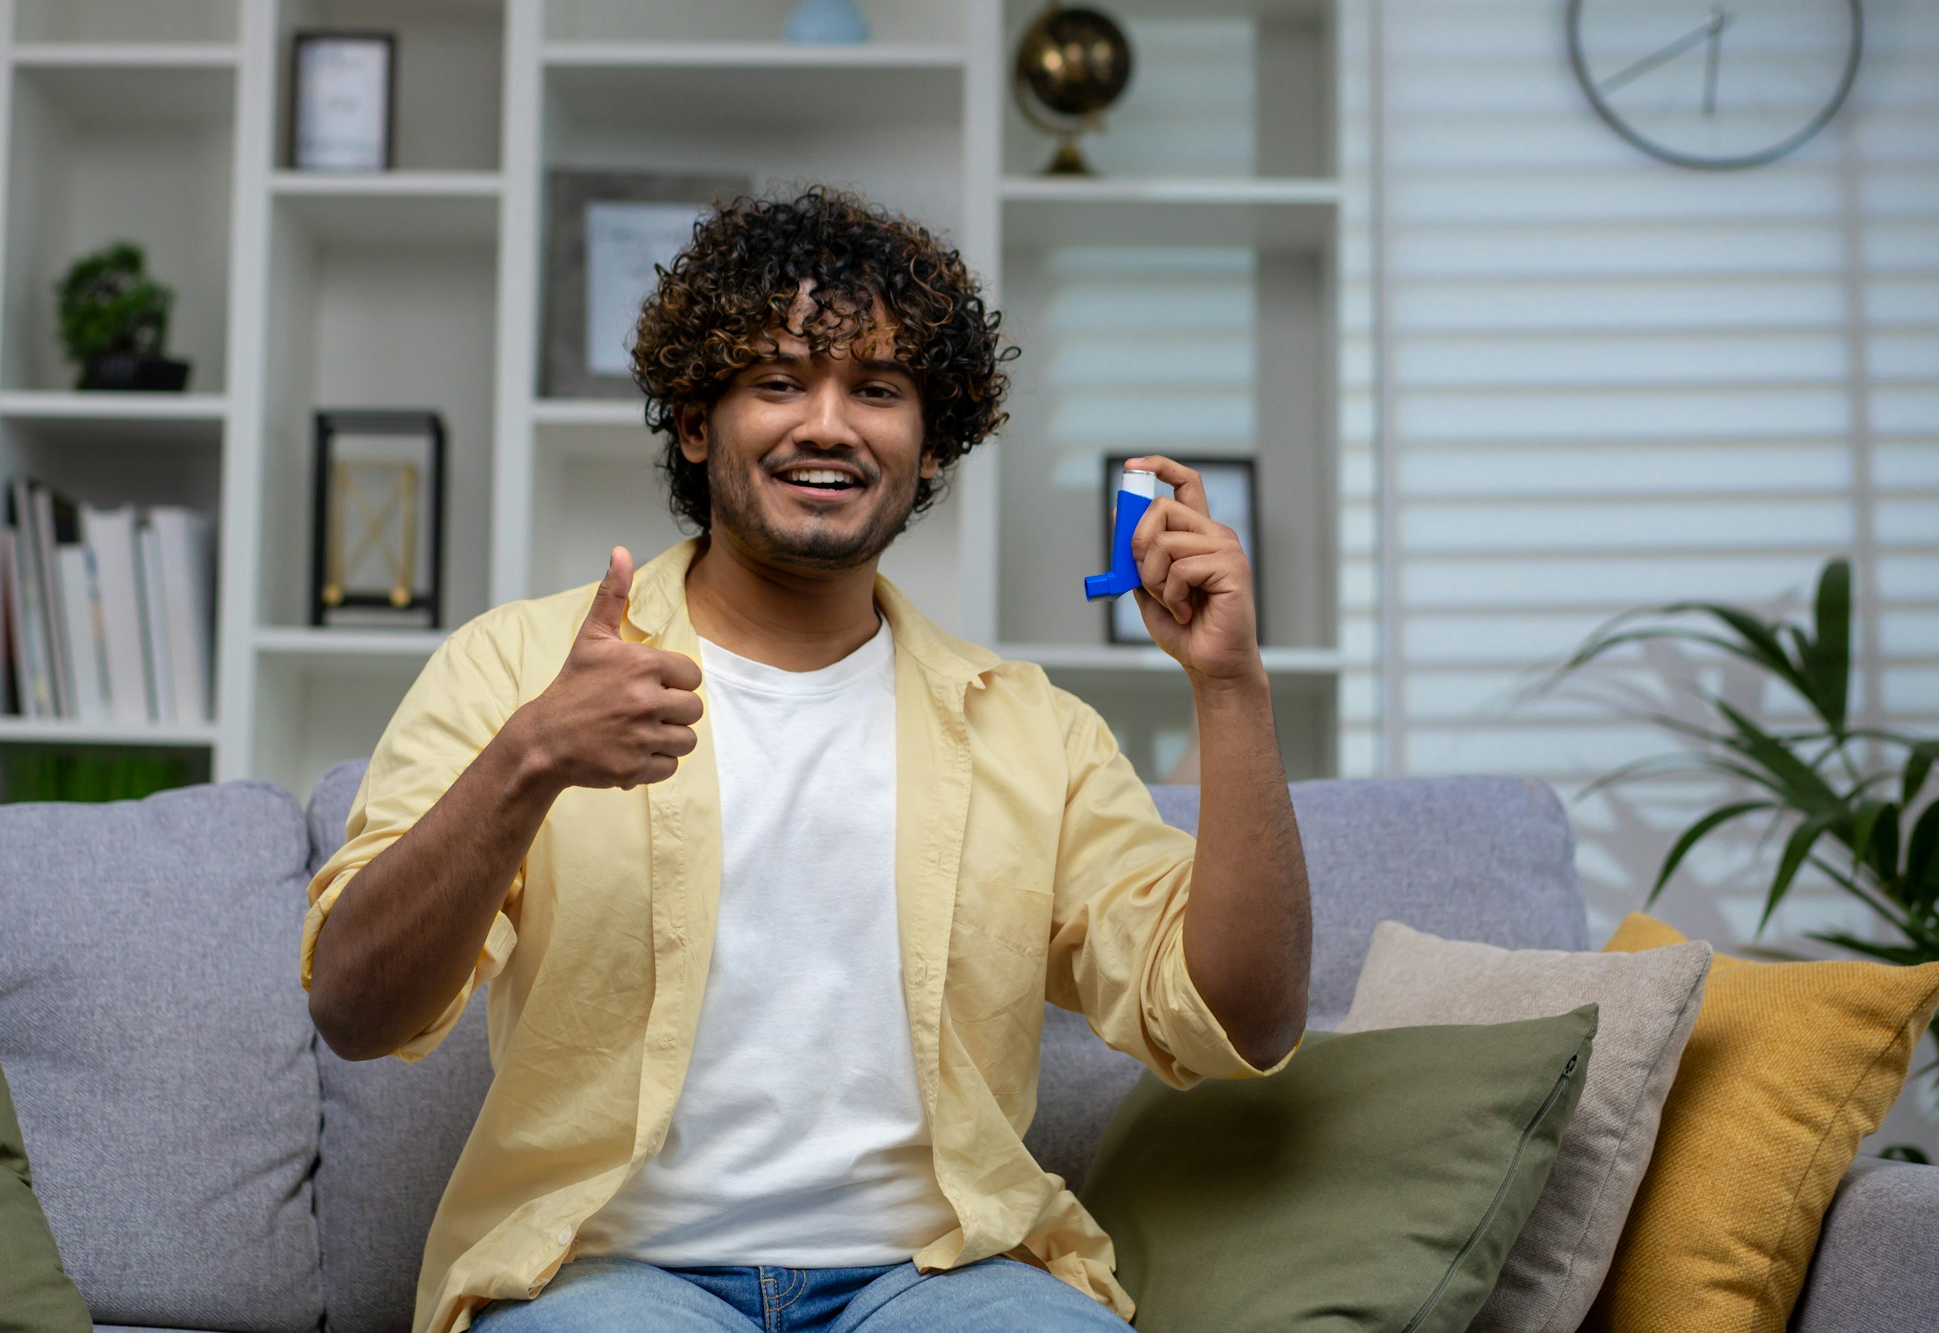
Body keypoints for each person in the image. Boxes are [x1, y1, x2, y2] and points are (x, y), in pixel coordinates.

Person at [302, 185, 1311, 1333]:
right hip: (611, 1280)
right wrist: (529, 758)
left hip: (938, 1279)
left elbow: (1241, 1018)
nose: (826, 423)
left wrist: (1228, 687)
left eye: (876, 390)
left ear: (930, 448)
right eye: (777, 381)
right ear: (695, 424)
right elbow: (355, 1007)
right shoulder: (515, 670)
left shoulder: (1031, 730)